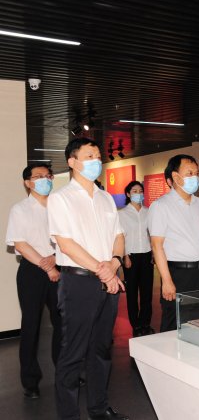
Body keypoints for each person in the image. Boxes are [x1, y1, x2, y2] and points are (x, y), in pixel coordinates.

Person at [47, 137, 128, 420]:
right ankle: (69, 415)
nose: (96, 161)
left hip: (109, 279)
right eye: (89, 156)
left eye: (98, 155)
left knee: (101, 349)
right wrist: (102, 270)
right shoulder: (60, 198)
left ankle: (98, 408)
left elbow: (119, 235)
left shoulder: (106, 197)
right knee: (73, 352)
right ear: (73, 162)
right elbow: (66, 243)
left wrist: (114, 263)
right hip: (79, 282)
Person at [5, 163, 61, 400]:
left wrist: (55, 259)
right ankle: (30, 381)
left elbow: (68, 238)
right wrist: (47, 266)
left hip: (59, 265)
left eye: (48, 176)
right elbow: (20, 243)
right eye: (39, 177)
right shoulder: (20, 209)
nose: (45, 180)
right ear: (28, 183)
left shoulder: (59, 207)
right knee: (31, 325)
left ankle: (64, 372)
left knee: (63, 323)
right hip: (32, 271)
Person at [148, 154, 199, 332]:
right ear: (175, 176)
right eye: (189, 173)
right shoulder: (161, 206)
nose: (195, 177)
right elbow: (157, 246)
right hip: (179, 275)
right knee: (174, 327)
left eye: (197, 173)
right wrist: (166, 281)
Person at [119, 181, 154, 337]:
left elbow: (152, 234)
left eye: (140, 191)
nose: (138, 193)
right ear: (128, 194)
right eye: (134, 191)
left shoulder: (148, 212)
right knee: (132, 293)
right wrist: (125, 255)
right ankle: (136, 325)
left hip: (146, 255)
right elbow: (121, 237)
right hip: (131, 256)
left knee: (147, 292)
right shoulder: (122, 214)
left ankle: (146, 323)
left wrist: (153, 252)